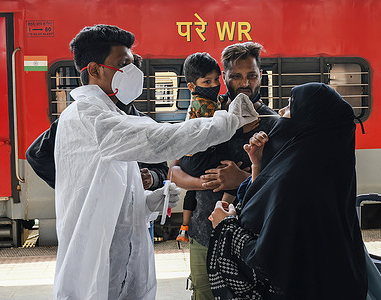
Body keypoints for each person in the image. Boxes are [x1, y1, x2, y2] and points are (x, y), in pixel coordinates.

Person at [53, 25, 258, 300]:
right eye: (122, 64)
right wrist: (229, 121)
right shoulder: (89, 117)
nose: (132, 71)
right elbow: (159, 140)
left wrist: (149, 201)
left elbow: (108, 191)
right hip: (97, 265)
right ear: (94, 70)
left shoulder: (110, 114)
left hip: (120, 263)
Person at [207, 83, 368, 299]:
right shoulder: (322, 169)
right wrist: (258, 165)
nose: (281, 112)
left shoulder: (297, 180)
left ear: (310, 121)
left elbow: (266, 260)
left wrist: (225, 225)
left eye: (291, 106)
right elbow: (267, 213)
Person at [170, 42, 278, 300]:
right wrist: (203, 183)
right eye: (236, 76)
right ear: (224, 78)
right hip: (203, 234)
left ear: (260, 76)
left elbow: (282, 184)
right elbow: (173, 169)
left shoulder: (272, 122)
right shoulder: (206, 114)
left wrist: (241, 179)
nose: (245, 83)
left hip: (253, 240)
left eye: (251, 75)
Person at [25, 55, 168, 243]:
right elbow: (36, 154)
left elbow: (162, 170)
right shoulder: (81, 118)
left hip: (137, 219)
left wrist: (152, 179)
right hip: (95, 221)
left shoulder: (143, 123)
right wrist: (78, 185)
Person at [176, 52, 236, 243]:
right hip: (197, 158)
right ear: (192, 86)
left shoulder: (207, 100)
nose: (214, 85)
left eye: (216, 80)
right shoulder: (204, 105)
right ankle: (224, 205)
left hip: (190, 157)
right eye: (207, 82)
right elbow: (217, 127)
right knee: (233, 172)